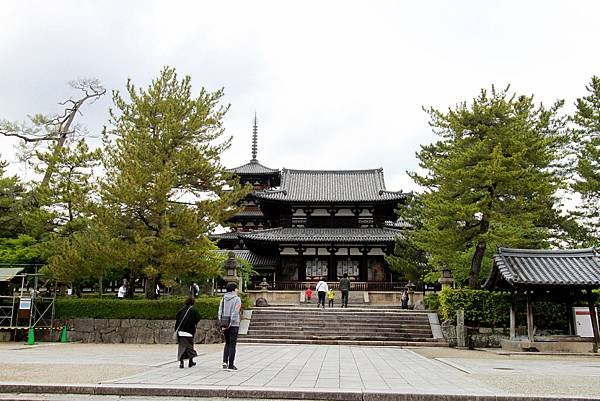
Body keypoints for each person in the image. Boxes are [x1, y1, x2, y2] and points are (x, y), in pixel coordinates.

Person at [219, 282, 241, 370]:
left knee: (227, 343)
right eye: (236, 288)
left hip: (224, 323)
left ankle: (224, 362)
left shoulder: (223, 299)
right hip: (234, 324)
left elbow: (220, 311)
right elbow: (236, 311)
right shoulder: (237, 299)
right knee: (232, 344)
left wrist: (222, 322)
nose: (237, 290)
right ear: (233, 289)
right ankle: (231, 364)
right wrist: (231, 322)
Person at [175, 297, 201, 368]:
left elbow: (177, 318)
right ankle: (190, 361)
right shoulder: (194, 310)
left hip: (180, 332)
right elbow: (198, 317)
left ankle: (181, 363)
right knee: (190, 346)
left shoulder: (181, 310)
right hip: (189, 332)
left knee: (182, 348)